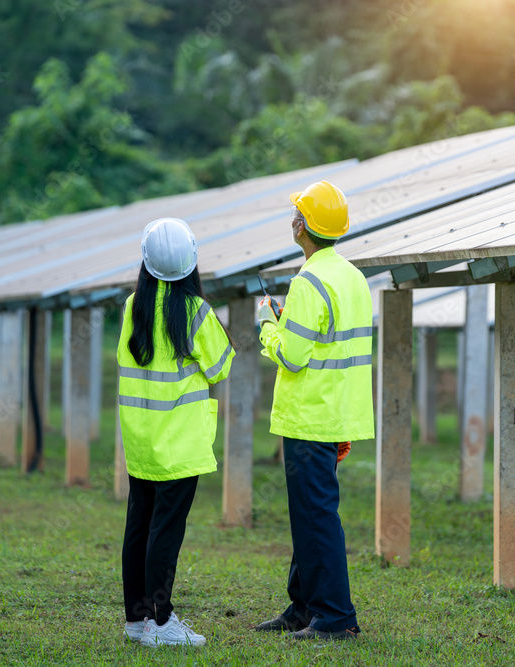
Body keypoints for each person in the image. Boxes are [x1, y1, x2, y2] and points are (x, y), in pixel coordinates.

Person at [254, 181, 374, 641]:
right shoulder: (351, 276)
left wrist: (268, 325)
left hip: (310, 415)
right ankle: (303, 607)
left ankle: (335, 617)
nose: (292, 218)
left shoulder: (308, 281)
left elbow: (293, 356)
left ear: (302, 226)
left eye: (296, 213)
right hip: (335, 411)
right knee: (311, 510)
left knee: (315, 514)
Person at [117, 218, 234, 647]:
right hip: (180, 446)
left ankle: (137, 620)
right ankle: (161, 625)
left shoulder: (133, 307)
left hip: (142, 442)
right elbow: (221, 365)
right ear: (192, 265)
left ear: (146, 264)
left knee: (139, 527)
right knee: (166, 532)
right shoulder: (196, 312)